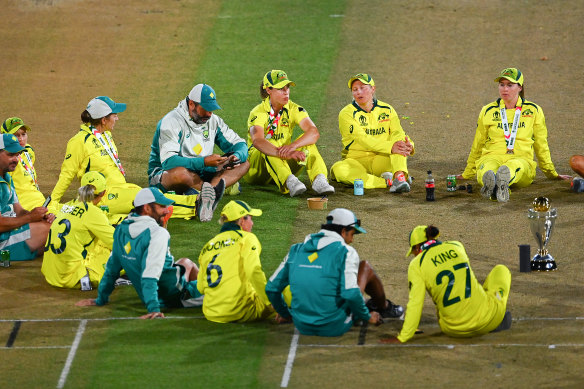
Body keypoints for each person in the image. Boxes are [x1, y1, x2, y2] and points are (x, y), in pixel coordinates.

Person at [50, 96, 205, 223]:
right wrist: (52, 203)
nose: (117, 118)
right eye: (114, 115)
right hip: (103, 196)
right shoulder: (79, 142)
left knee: (146, 194)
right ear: (104, 120)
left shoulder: (106, 136)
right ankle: (195, 203)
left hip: (120, 189)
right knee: (146, 198)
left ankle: (191, 201)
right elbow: (67, 175)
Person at [265, 208, 403, 337]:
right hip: (334, 326)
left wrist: (286, 314)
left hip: (302, 325)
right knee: (365, 267)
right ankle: (384, 308)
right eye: (352, 234)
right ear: (343, 231)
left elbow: (272, 288)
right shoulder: (346, 252)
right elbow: (350, 294)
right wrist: (367, 317)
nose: (352, 240)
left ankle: (369, 304)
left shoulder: (295, 250)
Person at [76, 187, 203, 319]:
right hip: (175, 295)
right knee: (221, 288)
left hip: (156, 290)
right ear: (147, 208)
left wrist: (101, 299)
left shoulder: (121, 229)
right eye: (161, 206)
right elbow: (150, 275)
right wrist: (153, 308)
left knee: (186, 262)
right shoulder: (157, 233)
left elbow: (112, 270)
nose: (167, 210)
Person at [383, 225, 512, 344]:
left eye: (413, 251)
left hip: (453, 329)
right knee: (501, 270)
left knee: (441, 303)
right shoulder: (457, 246)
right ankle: (496, 315)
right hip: (488, 319)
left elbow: (415, 303)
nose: (413, 255)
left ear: (417, 247)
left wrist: (403, 337)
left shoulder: (417, 264)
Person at [459, 68, 571, 202]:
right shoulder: (488, 110)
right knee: (487, 167)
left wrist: (551, 173)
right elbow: (478, 143)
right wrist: (468, 173)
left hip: (521, 159)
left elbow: (541, 144)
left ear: (520, 87)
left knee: (513, 166)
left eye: (510, 85)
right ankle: (498, 184)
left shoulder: (533, 110)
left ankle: (497, 182)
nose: (504, 89)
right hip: (492, 157)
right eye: (502, 85)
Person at [148, 83, 248, 208]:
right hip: (167, 174)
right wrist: (204, 162)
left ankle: (208, 194)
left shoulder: (213, 121)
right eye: (205, 109)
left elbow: (240, 144)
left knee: (244, 163)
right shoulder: (171, 122)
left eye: (211, 109)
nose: (209, 114)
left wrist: (236, 156)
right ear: (191, 104)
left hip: (202, 171)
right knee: (181, 174)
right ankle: (213, 189)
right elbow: (169, 162)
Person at [245, 70, 334, 197]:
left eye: (287, 87)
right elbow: (258, 141)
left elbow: (313, 132)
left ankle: (320, 180)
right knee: (269, 143)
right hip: (257, 171)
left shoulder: (294, 108)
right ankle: (289, 182)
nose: (286, 91)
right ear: (268, 90)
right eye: (280, 88)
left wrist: (292, 147)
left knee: (308, 144)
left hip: (285, 160)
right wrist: (286, 152)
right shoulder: (257, 112)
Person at [330, 73, 415, 193]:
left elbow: (398, 132)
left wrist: (409, 146)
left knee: (400, 142)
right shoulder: (346, 113)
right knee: (338, 170)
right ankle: (387, 181)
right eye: (355, 89)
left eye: (362, 88)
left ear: (373, 89)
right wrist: (391, 147)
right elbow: (362, 139)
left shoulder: (387, 109)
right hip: (356, 161)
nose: (358, 92)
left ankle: (399, 178)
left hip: (382, 158)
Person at [196, 200, 274, 323]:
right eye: (250, 219)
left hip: (211, 313)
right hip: (241, 310)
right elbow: (253, 272)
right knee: (288, 290)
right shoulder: (247, 238)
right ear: (242, 220)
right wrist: (271, 302)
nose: (252, 223)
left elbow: (200, 287)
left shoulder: (207, 246)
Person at [42, 171, 115, 289]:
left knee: (96, 241)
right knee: (122, 250)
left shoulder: (66, 206)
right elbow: (117, 242)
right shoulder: (93, 212)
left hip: (50, 274)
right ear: (103, 193)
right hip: (73, 278)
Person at [0, 134, 54, 261]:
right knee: (53, 230)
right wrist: (30, 218)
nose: (16, 159)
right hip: (3, 238)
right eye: (10, 155)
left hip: (9, 231)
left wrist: (37, 216)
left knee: (52, 225)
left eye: (17, 154)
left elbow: (19, 211)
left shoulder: (6, 176)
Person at [1, 117, 46, 210]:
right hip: (26, 207)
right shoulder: (6, 163)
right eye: (16, 135)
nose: (21, 139)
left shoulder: (28, 151)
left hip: (40, 201)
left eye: (23, 134)